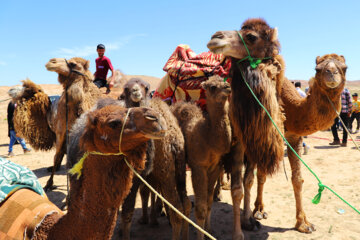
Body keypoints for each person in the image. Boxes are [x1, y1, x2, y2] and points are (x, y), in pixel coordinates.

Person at [7, 87, 31, 157]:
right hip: (15, 125)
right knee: (20, 138)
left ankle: (12, 151)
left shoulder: (13, 103)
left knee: (13, 139)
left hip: (13, 126)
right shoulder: (14, 104)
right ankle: (23, 149)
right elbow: (12, 117)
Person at [295, 82, 309, 154]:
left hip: (293, 115)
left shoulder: (292, 92)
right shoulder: (303, 93)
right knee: (298, 133)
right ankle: (304, 146)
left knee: (293, 134)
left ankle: (304, 145)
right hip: (301, 115)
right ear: (300, 86)